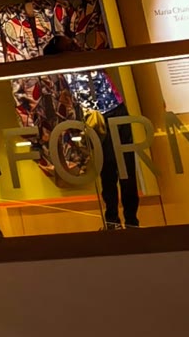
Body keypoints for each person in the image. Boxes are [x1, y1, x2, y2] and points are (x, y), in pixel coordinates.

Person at [40, 33, 138, 229]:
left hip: (114, 110)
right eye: (69, 45)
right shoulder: (69, 66)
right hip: (99, 116)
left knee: (124, 166)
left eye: (72, 43)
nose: (75, 45)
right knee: (108, 168)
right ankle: (114, 219)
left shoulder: (86, 57)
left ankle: (129, 220)